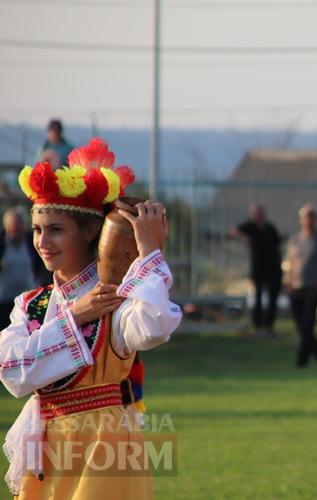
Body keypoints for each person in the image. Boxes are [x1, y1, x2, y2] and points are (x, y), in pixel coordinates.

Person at [1, 138, 182, 499]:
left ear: (88, 232)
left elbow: (155, 325)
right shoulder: (31, 304)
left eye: (55, 229)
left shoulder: (116, 298)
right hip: (48, 454)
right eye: (38, 230)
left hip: (106, 453)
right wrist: (75, 315)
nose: (42, 242)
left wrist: (148, 255)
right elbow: (11, 371)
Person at [286, 203, 317, 367]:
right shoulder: (295, 239)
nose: (309, 221)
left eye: (312, 217)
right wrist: (288, 281)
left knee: (308, 324)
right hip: (296, 287)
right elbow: (290, 262)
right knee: (302, 327)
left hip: (313, 287)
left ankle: (301, 361)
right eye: (306, 217)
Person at [230, 203, 282, 335]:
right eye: (256, 213)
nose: (259, 216)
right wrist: (245, 239)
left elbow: (278, 245)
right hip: (258, 269)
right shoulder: (249, 227)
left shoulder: (270, 228)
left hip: (273, 269)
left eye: (261, 213)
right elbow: (233, 231)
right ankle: (257, 325)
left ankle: (269, 326)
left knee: (272, 298)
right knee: (258, 297)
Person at [0, 209, 50, 329]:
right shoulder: (1, 242)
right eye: (11, 226)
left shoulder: (30, 241)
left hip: (27, 299)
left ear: (22, 226)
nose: (14, 230)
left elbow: (43, 265)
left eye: (17, 226)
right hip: (3, 298)